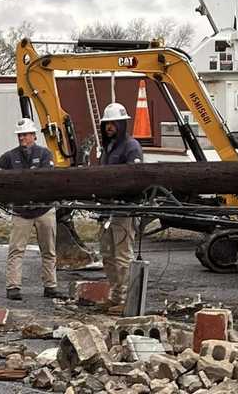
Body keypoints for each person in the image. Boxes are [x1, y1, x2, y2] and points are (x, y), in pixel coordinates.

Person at [0, 118, 65, 301]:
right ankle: (13, 287)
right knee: (16, 250)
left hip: (43, 209)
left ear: (34, 136)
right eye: (20, 135)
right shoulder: (11, 156)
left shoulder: (44, 154)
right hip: (21, 211)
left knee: (49, 250)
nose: (22, 138)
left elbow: (46, 178)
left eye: (25, 135)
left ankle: (50, 286)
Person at [97, 102, 143, 315]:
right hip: (107, 210)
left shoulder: (131, 146)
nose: (110, 127)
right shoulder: (107, 148)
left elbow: (134, 178)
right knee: (107, 255)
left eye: (113, 123)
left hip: (124, 210)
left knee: (123, 256)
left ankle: (125, 300)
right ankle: (115, 296)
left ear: (122, 124)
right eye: (107, 123)